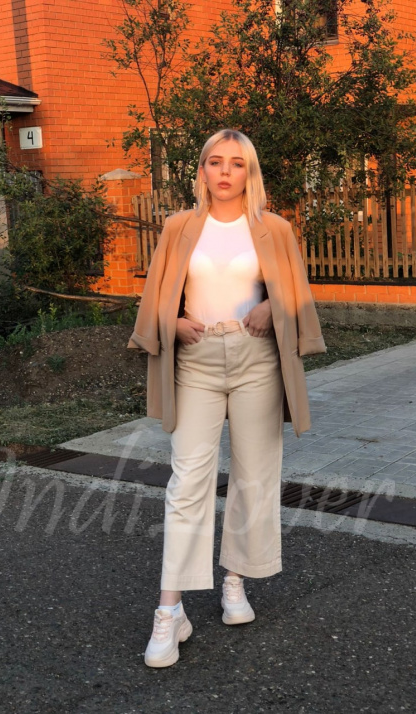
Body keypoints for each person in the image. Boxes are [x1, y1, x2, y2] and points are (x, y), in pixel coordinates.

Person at [127, 129, 326, 668]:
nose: (224, 172)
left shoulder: (274, 228)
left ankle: (235, 579)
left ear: (249, 172)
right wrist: (172, 321)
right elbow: (156, 294)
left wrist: (272, 307)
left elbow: (296, 294)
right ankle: (169, 610)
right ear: (202, 170)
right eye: (215, 162)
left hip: (256, 359)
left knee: (254, 476)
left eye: (236, 163)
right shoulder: (179, 226)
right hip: (196, 360)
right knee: (187, 481)